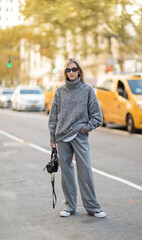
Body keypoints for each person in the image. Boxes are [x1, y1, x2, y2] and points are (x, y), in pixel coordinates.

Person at [48, 58, 106, 218]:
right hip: (61, 137)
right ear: (65, 72)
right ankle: (70, 206)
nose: (71, 72)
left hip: (79, 135)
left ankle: (93, 207)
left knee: (85, 171)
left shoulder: (87, 90)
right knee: (66, 173)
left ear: (79, 71)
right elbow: (53, 116)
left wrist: (84, 129)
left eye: (74, 69)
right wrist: (52, 137)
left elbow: (97, 116)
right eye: (68, 70)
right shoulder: (59, 91)